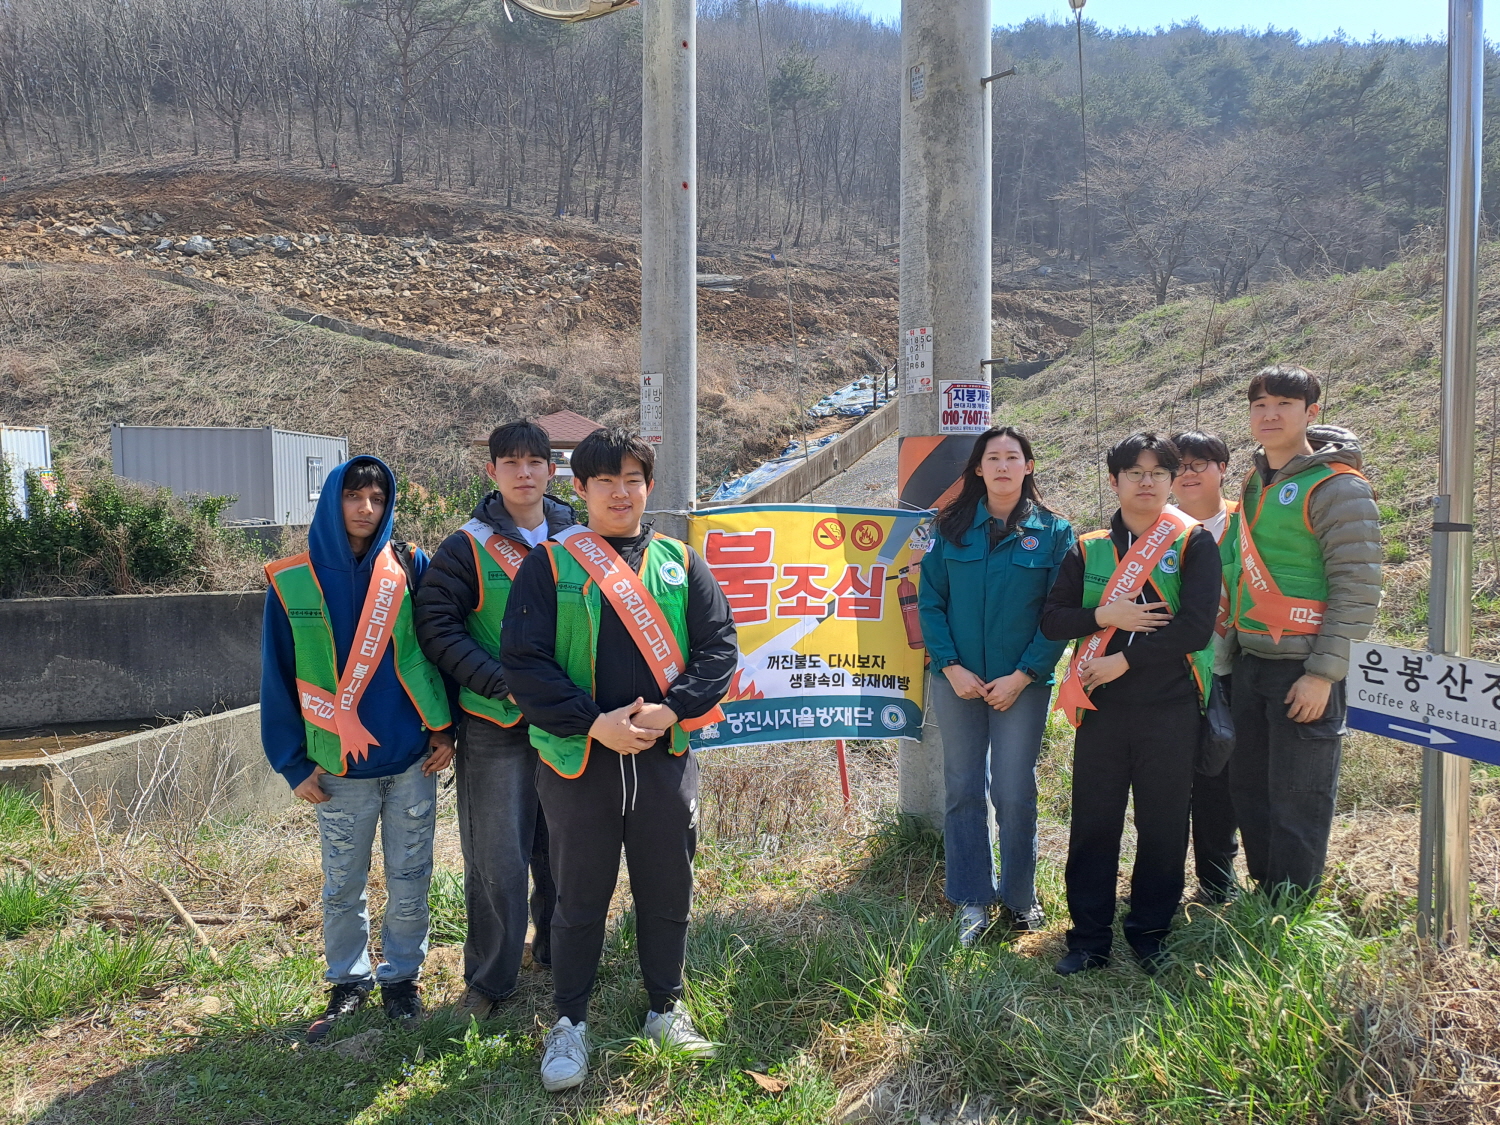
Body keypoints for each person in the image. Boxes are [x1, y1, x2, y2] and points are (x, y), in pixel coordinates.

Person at [499, 427, 737, 1093]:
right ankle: (569, 1021)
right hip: (580, 760)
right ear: (580, 488)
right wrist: (593, 723)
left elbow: (719, 646)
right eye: (605, 480)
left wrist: (674, 709)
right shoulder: (549, 566)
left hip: (664, 757)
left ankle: (666, 1007)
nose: (620, 492)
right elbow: (524, 663)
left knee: (668, 886)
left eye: (633, 479)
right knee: (578, 894)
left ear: (649, 486)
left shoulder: (679, 562)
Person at [260, 456, 455, 1042]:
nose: (366, 509)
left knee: (410, 875)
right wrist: (292, 763)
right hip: (337, 767)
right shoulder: (292, 580)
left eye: (377, 498)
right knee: (343, 882)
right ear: (332, 500)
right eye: (354, 496)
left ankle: (402, 978)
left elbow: (438, 646)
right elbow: (277, 673)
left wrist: (444, 729)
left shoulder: (410, 566)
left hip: (413, 759)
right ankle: (348, 980)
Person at [413, 420, 575, 1021]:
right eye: (511, 463)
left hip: (569, 723)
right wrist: (501, 682)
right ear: (492, 472)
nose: (524, 473)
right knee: (496, 857)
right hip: (495, 722)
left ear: (552, 471)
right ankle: (489, 979)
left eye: (535, 463)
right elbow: (436, 626)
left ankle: (560, 954)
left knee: (565, 850)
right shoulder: (467, 546)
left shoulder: (581, 539)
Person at [1041, 433, 1220, 975]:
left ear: (1171, 482)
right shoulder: (1089, 547)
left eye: (1159, 473)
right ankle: (1088, 939)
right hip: (1102, 712)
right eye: (1135, 472)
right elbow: (1053, 620)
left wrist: (1125, 659)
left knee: (1164, 825)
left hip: (1171, 708)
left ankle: (1150, 933)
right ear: (1114, 481)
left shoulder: (1191, 543)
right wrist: (1105, 616)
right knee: (1093, 824)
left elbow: (1195, 628)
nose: (1147, 482)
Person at [1219, 366, 1380, 899]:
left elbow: (1357, 587)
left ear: (1311, 412)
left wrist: (1323, 675)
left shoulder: (1338, 487)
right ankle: (1264, 898)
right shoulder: (1255, 480)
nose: (1269, 415)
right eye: (1260, 404)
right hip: (1252, 661)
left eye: (1284, 404)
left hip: (1304, 667)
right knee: (1251, 790)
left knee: (1299, 798)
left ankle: (1290, 912)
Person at [917, 427, 1075, 946]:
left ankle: (1020, 896)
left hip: (1021, 684)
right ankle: (971, 898)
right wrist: (950, 666)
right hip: (957, 680)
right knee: (963, 787)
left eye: (1013, 457)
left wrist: (1024, 675)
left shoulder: (1055, 533)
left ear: (1029, 466)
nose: (1003, 466)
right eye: (993, 458)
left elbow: (1057, 614)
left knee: (1013, 790)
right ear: (978, 469)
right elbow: (930, 601)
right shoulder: (951, 527)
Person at [1169, 429, 1240, 905]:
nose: (1188, 474)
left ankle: (1217, 883)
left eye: (1200, 463)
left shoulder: (1246, 521)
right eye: (1179, 466)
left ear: (1222, 469)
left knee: (1220, 781)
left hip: (1232, 670)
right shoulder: (1159, 526)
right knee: (1166, 783)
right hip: (1170, 673)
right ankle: (1162, 883)